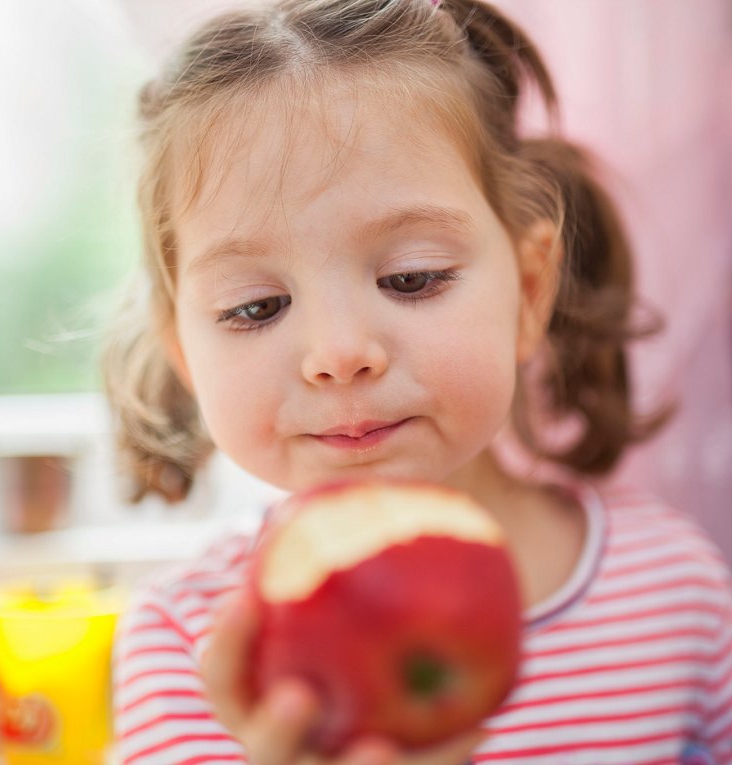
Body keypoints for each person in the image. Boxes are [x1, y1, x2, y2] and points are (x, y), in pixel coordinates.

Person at [101, 0, 732, 763]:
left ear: (530, 293)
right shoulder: (191, 646)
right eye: (255, 307)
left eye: (412, 277)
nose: (338, 353)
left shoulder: (675, 593)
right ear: (185, 356)